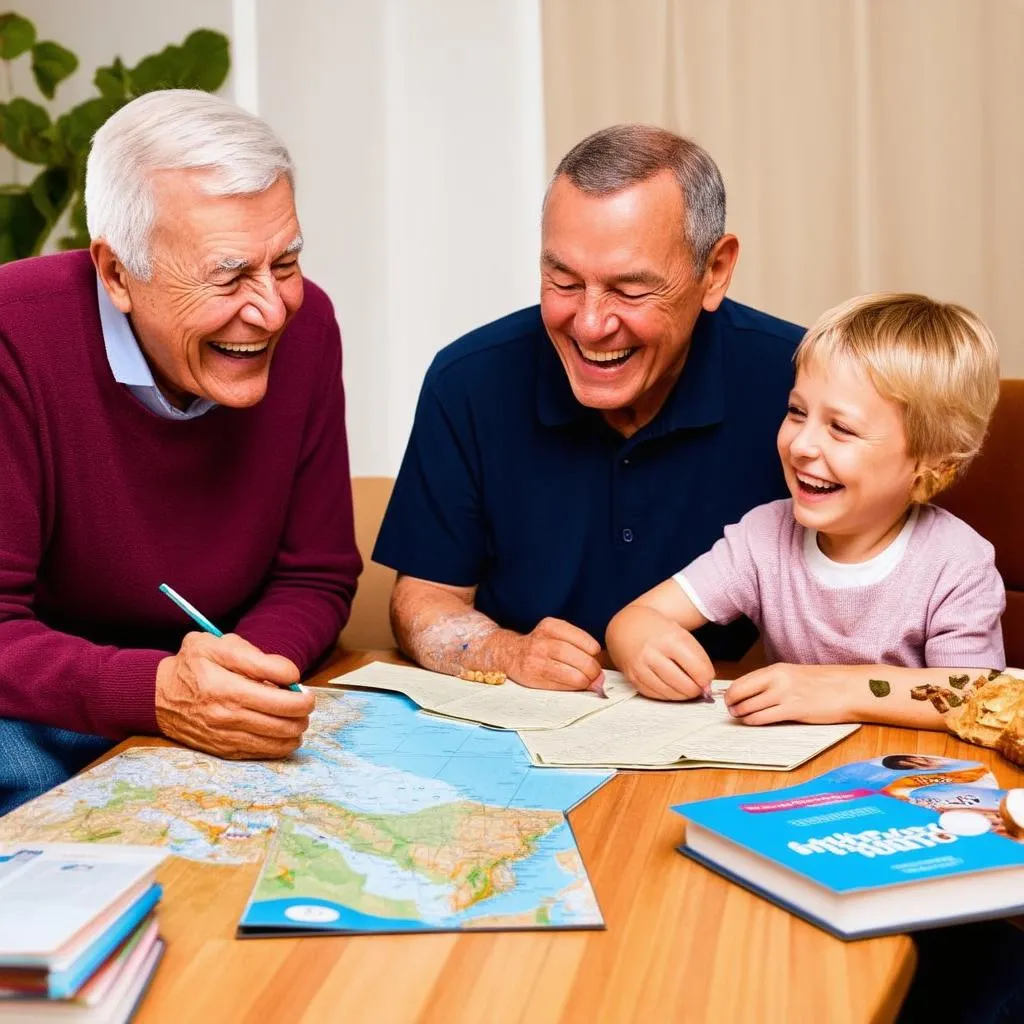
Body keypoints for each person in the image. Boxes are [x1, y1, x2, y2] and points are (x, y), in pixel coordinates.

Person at [0, 90, 361, 814]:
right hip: (40, 707)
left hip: (212, 695)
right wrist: (157, 692)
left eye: (284, 262)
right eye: (228, 275)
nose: (270, 310)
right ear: (115, 274)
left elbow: (315, 575)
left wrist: (247, 675)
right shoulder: (13, 335)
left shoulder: (309, 324)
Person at [374, 124, 804, 692]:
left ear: (715, 271)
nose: (591, 324)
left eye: (630, 289)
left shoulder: (801, 383)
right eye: (564, 280)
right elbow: (425, 597)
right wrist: (506, 652)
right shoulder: (469, 380)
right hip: (529, 719)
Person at [606, 293, 1004, 727]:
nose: (801, 445)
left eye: (841, 428)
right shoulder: (763, 537)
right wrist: (639, 640)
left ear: (933, 462)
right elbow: (633, 619)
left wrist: (839, 691)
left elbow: (975, 695)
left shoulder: (958, 564)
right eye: (797, 411)